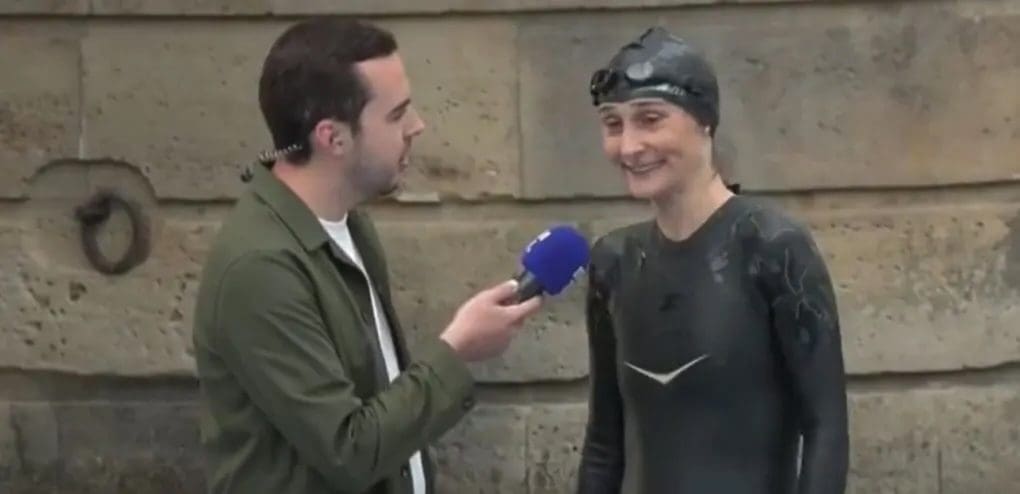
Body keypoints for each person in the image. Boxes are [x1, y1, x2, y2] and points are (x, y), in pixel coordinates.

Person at [191, 18, 543, 494]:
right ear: (333, 137)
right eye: (397, 115)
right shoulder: (260, 267)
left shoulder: (351, 226)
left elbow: (379, 409)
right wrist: (457, 351)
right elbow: (349, 449)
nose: (419, 126)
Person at [577, 27, 849, 494]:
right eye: (613, 124)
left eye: (650, 119)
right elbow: (605, 442)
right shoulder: (613, 262)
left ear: (705, 122)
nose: (629, 146)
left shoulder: (770, 248)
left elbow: (825, 429)